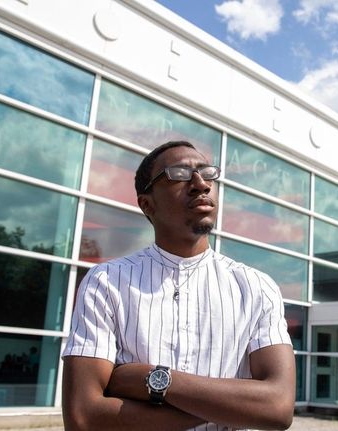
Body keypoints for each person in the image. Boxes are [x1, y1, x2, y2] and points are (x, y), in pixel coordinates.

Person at [61, 141, 295, 431]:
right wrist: (235, 405)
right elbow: (83, 417)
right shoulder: (106, 283)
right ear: (148, 204)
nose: (200, 184)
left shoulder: (257, 288)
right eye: (179, 174)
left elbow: (279, 408)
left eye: (207, 173)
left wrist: (155, 380)